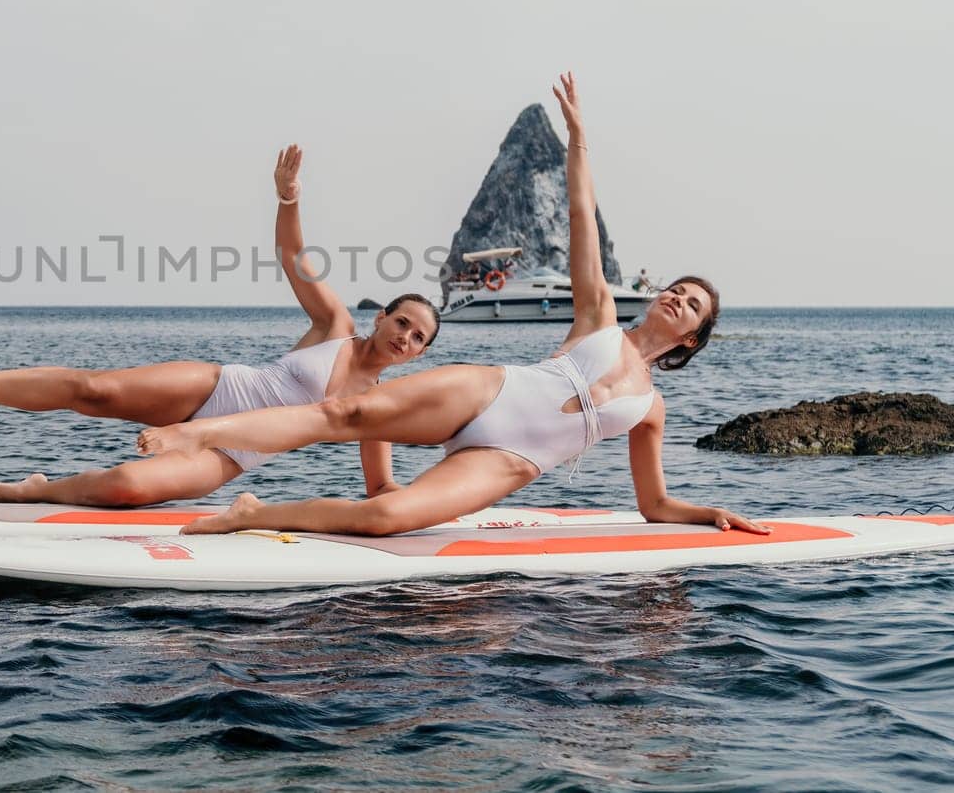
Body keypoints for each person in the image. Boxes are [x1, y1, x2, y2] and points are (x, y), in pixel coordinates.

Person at [138, 73, 767, 538]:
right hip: (489, 391)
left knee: (387, 517)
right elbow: (579, 216)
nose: (676, 300)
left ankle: (251, 515)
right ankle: (191, 433)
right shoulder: (599, 315)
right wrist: (579, 141)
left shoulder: (650, 408)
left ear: (692, 338)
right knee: (344, 412)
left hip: (510, 462)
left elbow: (653, 505)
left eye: (691, 306)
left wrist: (706, 513)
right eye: (676, 290)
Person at [0, 144, 440, 506]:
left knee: (128, 486)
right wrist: (288, 198)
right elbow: (293, 255)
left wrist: (438, 499)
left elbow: (380, 486)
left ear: (417, 355)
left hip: (232, 453)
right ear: (382, 316)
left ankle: (36, 490)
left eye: (418, 338)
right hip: (219, 387)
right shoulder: (336, 325)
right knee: (94, 390)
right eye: (403, 321)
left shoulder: (378, 407)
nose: (405, 336)